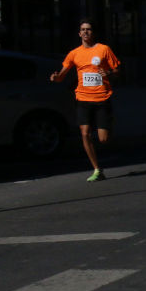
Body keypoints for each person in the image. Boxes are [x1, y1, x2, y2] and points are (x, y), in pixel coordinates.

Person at [50, 19, 121, 182]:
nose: (86, 32)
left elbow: (117, 71)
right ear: (79, 33)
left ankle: (108, 124)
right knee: (85, 133)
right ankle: (97, 169)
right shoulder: (74, 53)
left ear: (93, 32)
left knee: (103, 139)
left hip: (102, 97)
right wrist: (55, 78)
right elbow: (62, 75)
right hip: (83, 98)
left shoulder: (104, 49)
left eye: (88, 29)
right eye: (83, 29)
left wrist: (109, 74)